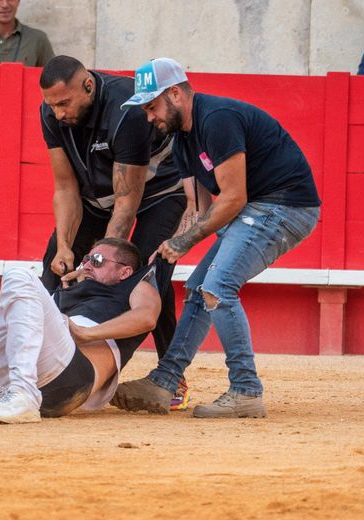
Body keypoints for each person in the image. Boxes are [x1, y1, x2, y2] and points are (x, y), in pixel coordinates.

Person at [112, 57, 321, 418]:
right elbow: (198, 207)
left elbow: (234, 197)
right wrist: (168, 249)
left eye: (152, 106)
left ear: (175, 94)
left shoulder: (216, 119)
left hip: (286, 206)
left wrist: (184, 242)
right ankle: (165, 380)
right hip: (257, 209)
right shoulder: (181, 142)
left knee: (219, 287)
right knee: (198, 288)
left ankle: (246, 390)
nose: (149, 117)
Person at [38, 55, 189, 403]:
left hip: (158, 194)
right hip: (95, 197)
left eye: (64, 103)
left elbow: (128, 199)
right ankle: (36, 363)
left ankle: (170, 377)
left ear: (88, 86)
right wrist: (65, 246)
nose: (59, 113)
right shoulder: (50, 112)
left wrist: (102, 259)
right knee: (53, 267)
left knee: (150, 273)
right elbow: (64, 187)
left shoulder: (127, 110)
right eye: (52, 105)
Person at [0, 238, 164, 424]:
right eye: (87, 259)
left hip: (68, 379)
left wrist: (88, 333)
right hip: (13, 374)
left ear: (124, 272)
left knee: (19, 275)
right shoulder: (68, 291)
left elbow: (146, 318)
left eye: (98, 261)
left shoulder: (136, 285)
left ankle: (23, 393)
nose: (88, 265)